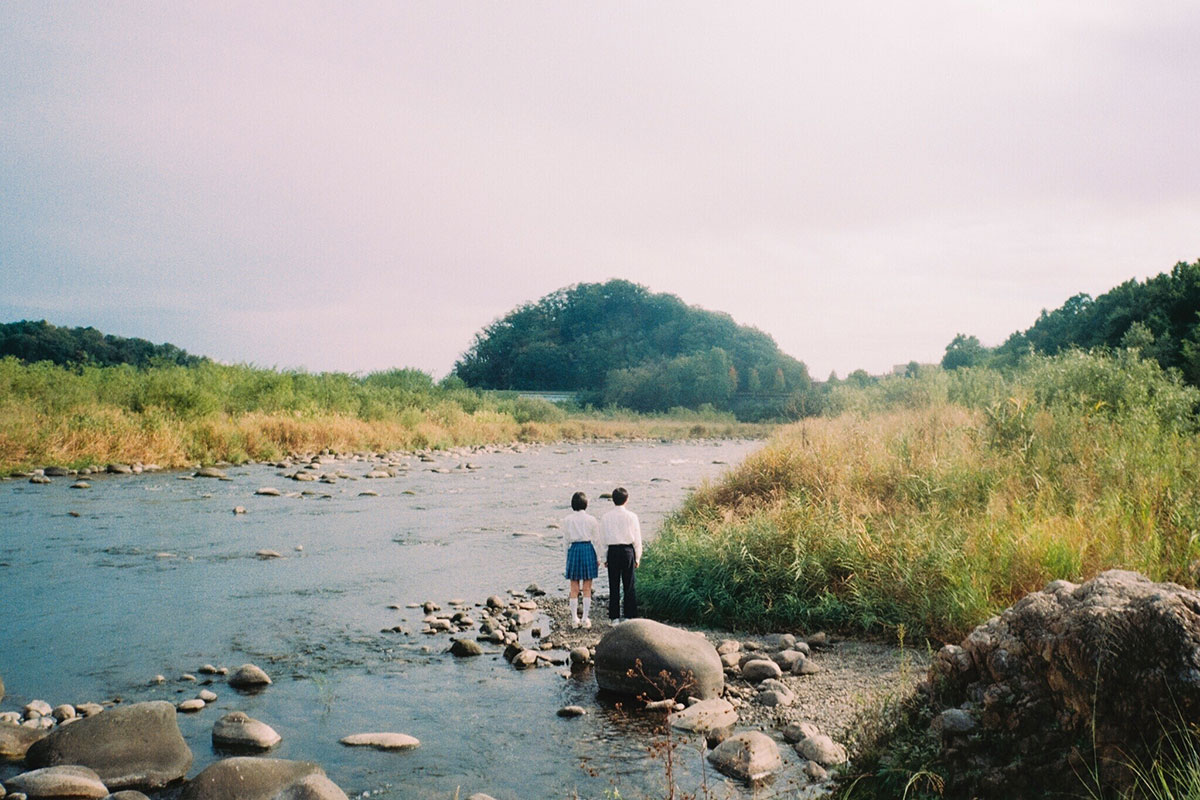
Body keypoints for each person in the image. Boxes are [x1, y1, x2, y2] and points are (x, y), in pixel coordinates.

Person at [601, 486, 642, 623]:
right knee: (629, 584)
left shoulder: (606, 517)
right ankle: (629, 616)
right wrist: (637, 557)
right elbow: (637, 538)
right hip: (628, 551)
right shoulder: (632, 516)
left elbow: (604, 539)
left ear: (612, 500)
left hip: (613, 551)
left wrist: (604, 557)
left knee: (614, 584)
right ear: (627, 499)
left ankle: (614, 618)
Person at [563, 490, 601, 628]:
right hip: (587, 549)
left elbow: (565, 541)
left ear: (572, 504)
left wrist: (566, 558)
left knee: (573, 587)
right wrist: (599, 557)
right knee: (587, 587)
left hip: (574, 550)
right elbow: (597, 540)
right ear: (586, 504)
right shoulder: (591, 519)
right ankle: (585, 618)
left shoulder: (567, 520)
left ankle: (574, 619)